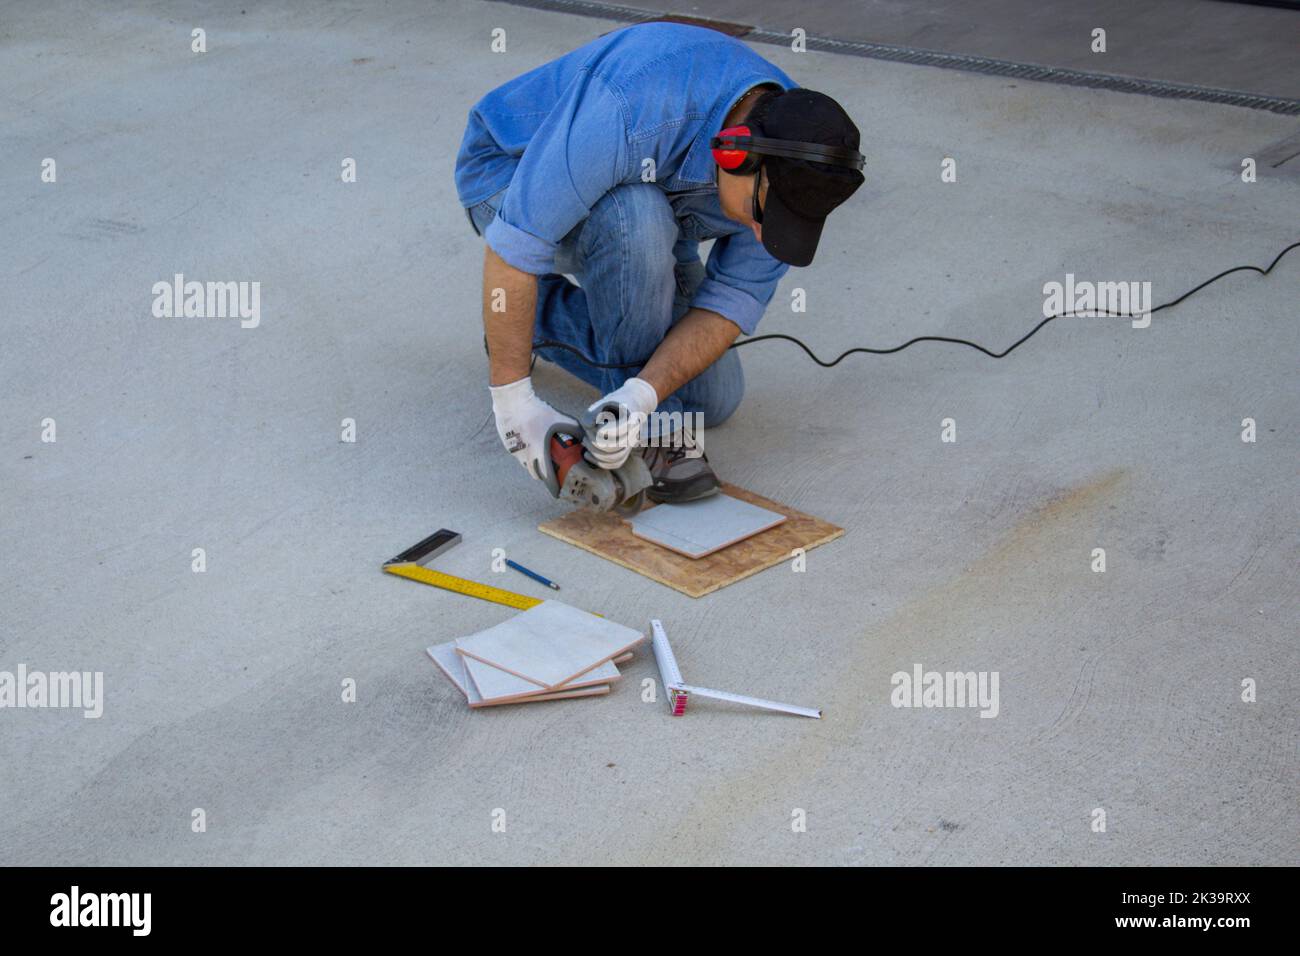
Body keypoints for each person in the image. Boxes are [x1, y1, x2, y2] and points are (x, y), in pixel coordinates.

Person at [455, 21, 864, 503]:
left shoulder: (798, 156)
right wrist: (514, 405)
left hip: (656, 208)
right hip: (510, 174)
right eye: (765, 215)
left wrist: (642, 394)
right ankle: (648, 439)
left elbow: (727, 306)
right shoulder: (631, 108)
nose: (762, 233)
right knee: (637, 217)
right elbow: (513, 250)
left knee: (714, 397)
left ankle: (541, 317)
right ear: (733, 155)